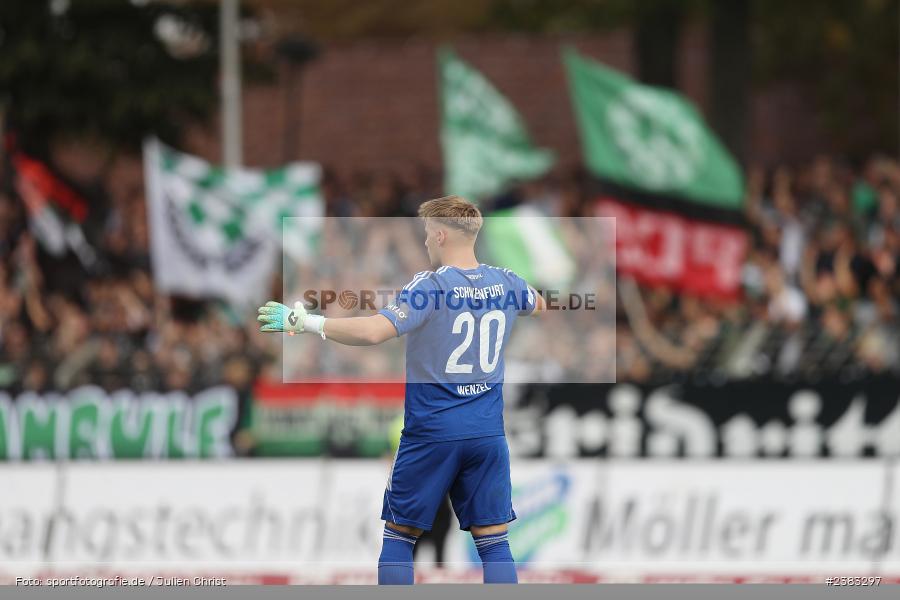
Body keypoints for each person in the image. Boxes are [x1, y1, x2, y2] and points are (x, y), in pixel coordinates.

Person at [257, 195, 544, 585]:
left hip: (432, 432)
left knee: (399, 534)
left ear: (441, 234)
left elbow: (375, 331)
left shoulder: (431, 285)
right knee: (493, 542)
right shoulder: (505, 281)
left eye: (427, 234)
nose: (425, 241)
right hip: (487, 433)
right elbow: (538, 303)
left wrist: (308, 321)